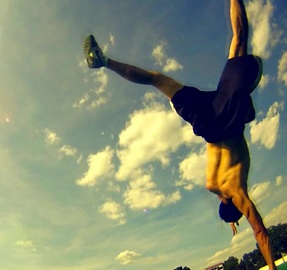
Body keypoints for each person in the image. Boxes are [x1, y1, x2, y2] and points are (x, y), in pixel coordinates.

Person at [83, 0, 277, 269]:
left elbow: (261, 234)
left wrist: (269, 263)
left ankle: (103, 60)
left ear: (234, 204)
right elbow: (226, 202)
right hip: (208, 125)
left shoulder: (234, 191)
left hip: (224, 120)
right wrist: (232, 217)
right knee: (158, 80)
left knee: (239, 40)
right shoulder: (212, 186)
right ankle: (105, 62)